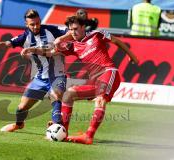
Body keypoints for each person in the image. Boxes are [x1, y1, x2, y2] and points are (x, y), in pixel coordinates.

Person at [21, 15, 139, 144]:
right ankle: (63, 132)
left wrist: (132, 56)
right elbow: (50, 52)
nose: (73, 32)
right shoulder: (73, 46)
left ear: (83, 27)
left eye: (76, 29)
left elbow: (116, 41)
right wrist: (32, 49)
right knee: (68, 95)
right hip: (95, 79)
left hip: (108, 72)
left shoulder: (97, 34)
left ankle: (89, 136)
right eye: (70, 30)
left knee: (100, 99)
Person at [0, 9, 70, 132]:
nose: (35, 26)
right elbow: (4, 44)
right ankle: (19, 124)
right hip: (39, 78)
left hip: (57, 75)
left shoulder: (52, 30)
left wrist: (62, 39)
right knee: (21, 108)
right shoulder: (24, 37)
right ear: (26, 25)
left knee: (56, 98)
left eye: (37, 23)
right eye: (32, 24)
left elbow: (71, 32)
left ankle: (57, 125)